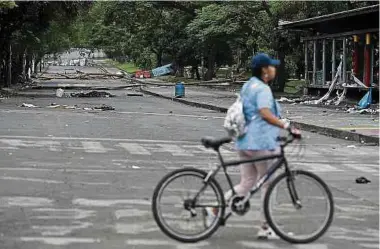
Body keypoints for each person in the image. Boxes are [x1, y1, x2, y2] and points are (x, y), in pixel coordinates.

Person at [204, 53, 300, 239]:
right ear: (265, 70)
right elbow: (264, 113)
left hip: (244, 141)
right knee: (268, 183)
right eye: (271, 66)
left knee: (247, 182)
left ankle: (214, 209)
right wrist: (286, 126)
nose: (274, 69)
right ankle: (266, 226)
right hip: (260, 143)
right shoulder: (263, 89)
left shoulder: (248, 86)